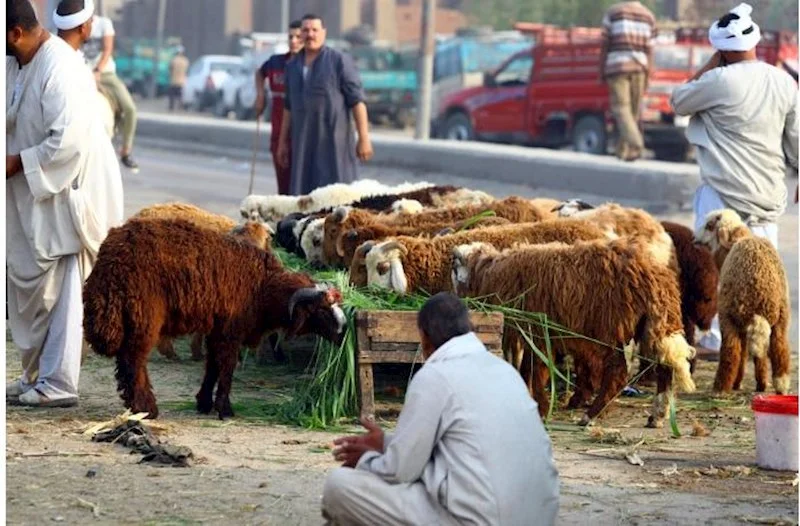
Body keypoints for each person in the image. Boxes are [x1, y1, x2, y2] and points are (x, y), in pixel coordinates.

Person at [322, 292, 560, 525]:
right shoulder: (506, 372)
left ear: (424, 338)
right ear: (469, 329)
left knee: (339, 485)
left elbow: (400, 471)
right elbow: (458, 448)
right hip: (539, 516)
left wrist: (366, 461)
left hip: (481, 519)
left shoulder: (434, 376)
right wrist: (386, 443)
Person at [6, 0, 124, 408]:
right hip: (33, 195)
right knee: (36, 289)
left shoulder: (62, 66)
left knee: (68, 287)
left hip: (70, 191)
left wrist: (17, 161)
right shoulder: (17, 63)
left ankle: (59, 381)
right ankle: (34, 375)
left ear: (14, 33)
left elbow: (67, 141)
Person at [671, 2, 798, 357]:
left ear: (720, 48)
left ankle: (715, 340)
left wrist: (711, 64)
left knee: (715, 274)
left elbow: (679, 101)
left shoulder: (717, 81)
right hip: (767, 197)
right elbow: (797, 136)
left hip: (722, 200)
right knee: (764, 276)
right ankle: (766, 345)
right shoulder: (783, 81)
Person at [277, 13, 374, 196]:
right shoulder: (292, 67)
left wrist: (364, 137)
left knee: (339, 197)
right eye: (305, 30)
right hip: (303, 145)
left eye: (315, 30)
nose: (310, 34)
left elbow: (357, 101)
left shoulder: (339, 61)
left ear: (324, 33)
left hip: (333, 143)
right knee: (303, 198)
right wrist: (282, 142)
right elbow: (288, 107)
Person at [81, 11, 139, 171]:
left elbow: (107, 49)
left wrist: (98, 70)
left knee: (130, 109)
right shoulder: (72, 24)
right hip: (80, 73)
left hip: (104, 74)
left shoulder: (103, 24)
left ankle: (126, 151)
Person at [600, 1, 658, 162]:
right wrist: (649, 73)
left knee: (620, 108)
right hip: (640, 68)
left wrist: (601, 70)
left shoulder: (613, 13)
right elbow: (650, 50)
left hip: (617, 66)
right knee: (632, 111)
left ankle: (635, 143)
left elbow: (604, 44)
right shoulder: (649, 16)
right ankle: (623, 151)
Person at [255, 20, 303, 195]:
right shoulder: (276, 62)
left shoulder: (309, 66)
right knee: (282, 183)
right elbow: (260, 74)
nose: (294, 41)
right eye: (291, 37)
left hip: (301, 134)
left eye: (299, 37)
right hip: (278, 131)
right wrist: (261, 95)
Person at [168, 46, 189, 112]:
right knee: (180, 96)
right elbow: (187, 70)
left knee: (172, 95)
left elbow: (170, 69)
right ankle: (180, 107)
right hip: (182, 81)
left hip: (174, 80)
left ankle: (171, 107)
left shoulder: (174, 60)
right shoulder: (185, 61)